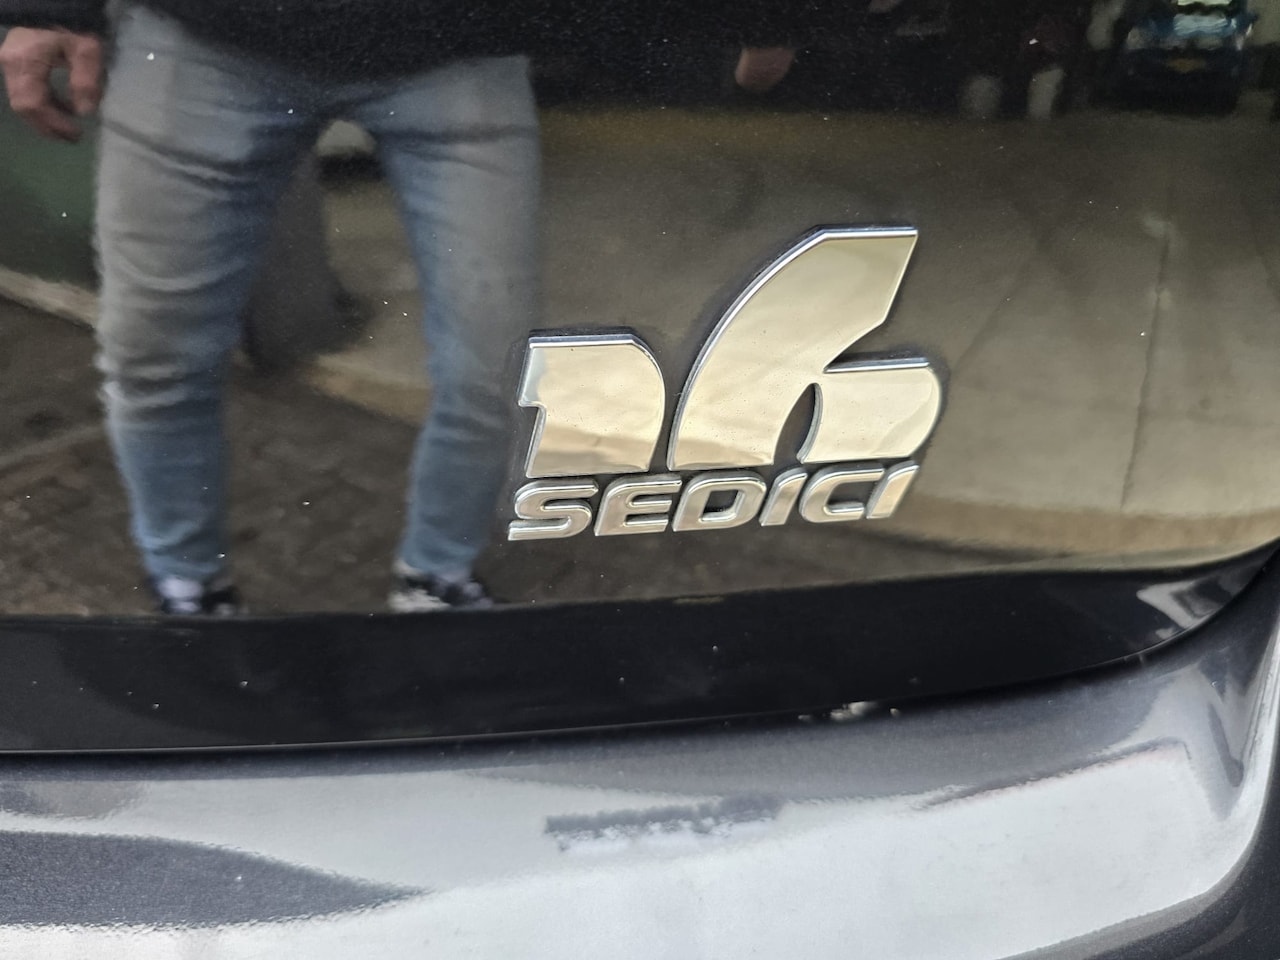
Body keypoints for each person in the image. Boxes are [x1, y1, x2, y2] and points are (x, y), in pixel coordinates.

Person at [0, 1, 540, 614]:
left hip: (459, 45)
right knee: (155, 354)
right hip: (201, 39)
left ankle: (437, 575)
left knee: (497, 367)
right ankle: (188, 585)